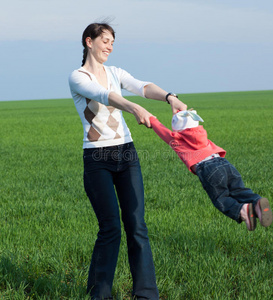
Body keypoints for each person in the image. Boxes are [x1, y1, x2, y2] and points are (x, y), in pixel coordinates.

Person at [68, 22, 187, 300]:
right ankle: (100, 295)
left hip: (127, 154)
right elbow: (103, 95)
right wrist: (133, 107)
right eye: (105, 40)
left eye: (112, 42)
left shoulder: (115, 72)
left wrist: (170, 97)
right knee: (110, 228)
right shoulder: (78, 76)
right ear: (89, 41)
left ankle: (146, 295)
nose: (109, 46)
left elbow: (142, 86)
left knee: (137, 225)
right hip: (98, 158)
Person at [150, 110, 273, 231]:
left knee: (221, 199)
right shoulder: (201, 134)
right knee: (239, 190)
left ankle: (243, 210)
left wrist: (151, 119)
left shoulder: (177, 140)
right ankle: (256, 203)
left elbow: (162, 131)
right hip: (225, 164)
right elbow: (187, 124)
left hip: (208, 169)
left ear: (176, 130)